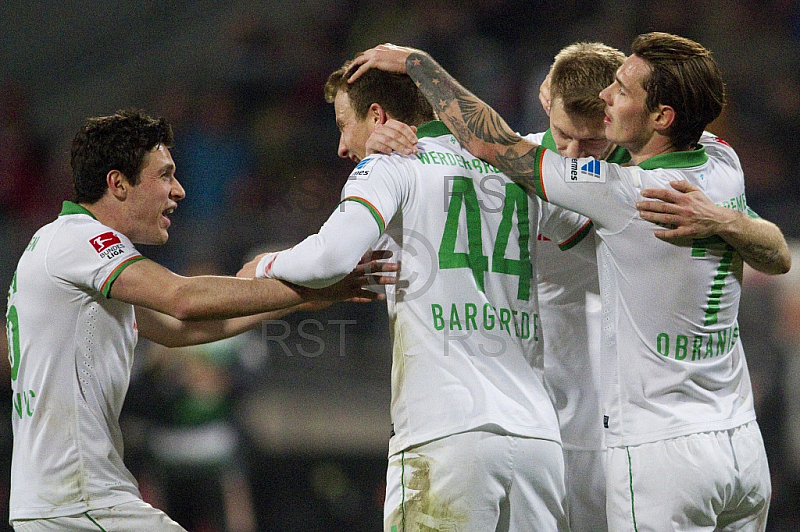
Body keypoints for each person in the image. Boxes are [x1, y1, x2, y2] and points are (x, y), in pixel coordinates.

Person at [349, 33, 790, 530]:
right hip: (555, 427)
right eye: (565, 136)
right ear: (544, 98)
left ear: (658, 117)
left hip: (638, 445)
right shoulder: (717, 162)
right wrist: (394, 142)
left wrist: (417, 64)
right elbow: (465, 156)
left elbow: (487, 140)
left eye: (618, 96)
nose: (580, 149)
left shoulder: (618, 188)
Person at [238, 58, 602, 531]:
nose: (343, 145)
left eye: (346, 125)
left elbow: (330, 259)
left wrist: (263, 265)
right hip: (537, 441)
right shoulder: (513, 164)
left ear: (378, 116)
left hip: (446, 434)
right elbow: (590, 223)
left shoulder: (390, 166)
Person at [4, 109, 395, 531]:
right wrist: (310, 284)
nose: (179, 190)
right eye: (164, 175)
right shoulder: (79, 240)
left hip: (64, 497)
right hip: (80, 499)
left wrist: (298, 300)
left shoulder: (59, 247)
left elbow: (181, 329)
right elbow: (182, 298)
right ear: (117, 184)